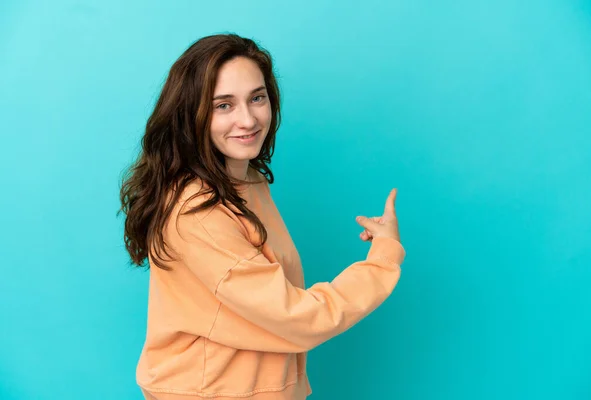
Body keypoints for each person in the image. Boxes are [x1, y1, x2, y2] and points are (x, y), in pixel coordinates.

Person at [118, 33, 406, 400]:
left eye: (257, 98)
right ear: (192, 112)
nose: (248, 119)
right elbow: (298, 318)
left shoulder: (244, 179)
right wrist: (383, 258)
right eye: (223, 105)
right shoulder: (197, 211)